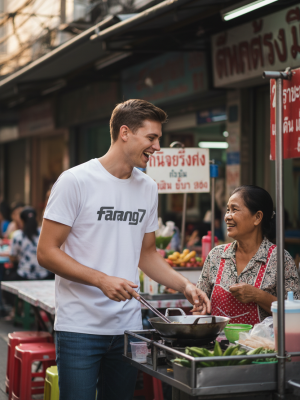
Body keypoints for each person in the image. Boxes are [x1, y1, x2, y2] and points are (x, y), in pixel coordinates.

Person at [37, 99, 210, 400]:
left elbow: (147, 254)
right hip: (80, 326)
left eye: (159, 139)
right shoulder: (75, 181)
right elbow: (47, 252)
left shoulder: (148, 188)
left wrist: (185, 286)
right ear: (125, 132)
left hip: (128, 328)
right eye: (152, 137)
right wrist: (102, 280)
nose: (158, 147)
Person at [195, 185, 300, 324]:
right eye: (227, 210)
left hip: (260, 344)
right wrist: (199, 309)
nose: (227, 216)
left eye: (234, 210)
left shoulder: (281, 259)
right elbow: (200, 304)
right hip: (216, 345)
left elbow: (295, 315)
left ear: (257, 217)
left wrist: (257, 295)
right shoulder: (216, 255)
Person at [9, 207, 48, 280]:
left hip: (24, 274)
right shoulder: (44, 234)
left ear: (21, 221)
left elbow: (12, 258)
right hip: (43, 274)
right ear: (37, 218)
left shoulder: (17, 236)